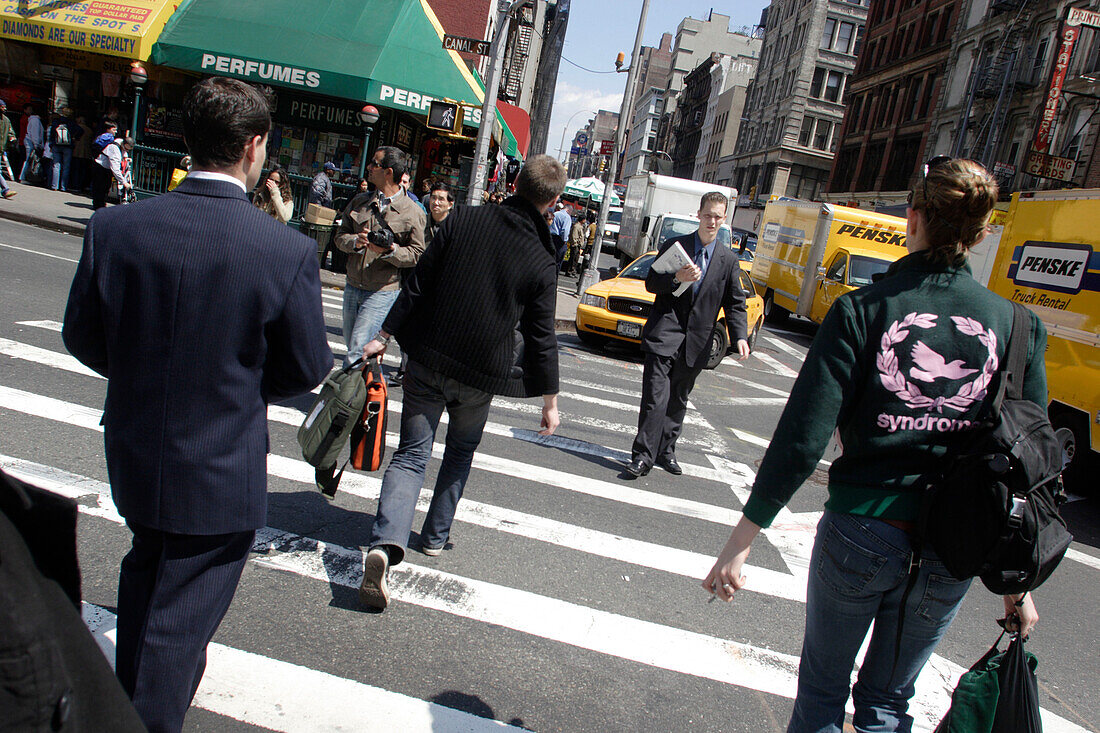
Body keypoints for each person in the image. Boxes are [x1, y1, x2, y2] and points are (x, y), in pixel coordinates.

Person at [702, 159, 1042, 733]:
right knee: (889, 703)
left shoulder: (864, 310)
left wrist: (742, 538)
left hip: (861, 524)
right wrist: (1017, 584)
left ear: (913, 219)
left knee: (823, 695)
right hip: (955, 543)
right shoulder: (1017, 326)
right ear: (982, 234)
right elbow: (1028, 465)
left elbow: (802, 439)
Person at [62, 76, 332, 732]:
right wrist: (233, 383)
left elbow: (83, 335)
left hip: (135, 448)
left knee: (149, 591)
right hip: (219, 464)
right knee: (173, 634)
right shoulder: (284, 249)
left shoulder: (117, 227)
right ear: (254, 146)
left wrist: (149, 375)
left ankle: (125, 706)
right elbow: (305, 369)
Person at [356, 155, 565, 611]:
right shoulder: (541, 258)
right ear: (553, 201)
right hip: (480, 372)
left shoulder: (462, 219)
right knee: (460, 452)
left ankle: (386, 542)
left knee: (411, 455)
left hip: (428, 355)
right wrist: (549, 399)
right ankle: (434, 536)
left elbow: (418, 284)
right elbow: (542, 335)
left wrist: (383, 336)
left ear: (514, 182)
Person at [624, 192, 750, 478]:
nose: (712, 221)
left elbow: (735, 302)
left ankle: (666, 452)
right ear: (699, 215)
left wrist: (740, 335)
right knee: (655, 398)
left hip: (697, 341)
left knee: (678, 400)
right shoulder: (675, 246)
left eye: (718, 216)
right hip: (664, 333)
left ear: (724, 219)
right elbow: (652, 283)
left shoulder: (727, 260)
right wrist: (676, 278)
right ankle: (643, 456)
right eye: (708, 215)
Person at [333, 145, 426, 367]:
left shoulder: (413, 212)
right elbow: (339, 236)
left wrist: (390, 250)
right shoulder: (360, 201)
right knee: (356, 349)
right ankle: (368, 396)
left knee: (358, 350)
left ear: (388, 172)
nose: (369, 167)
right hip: (353, 284)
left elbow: (417, 254)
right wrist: (355, 242)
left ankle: (346, 400)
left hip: (382, 291)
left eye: (375, 163)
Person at [91, 134, 133, 209]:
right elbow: (115, 168)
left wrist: (126, 158)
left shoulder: (120, 143)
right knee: (101, 189)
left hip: (105, 168)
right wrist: (124, 182)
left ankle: (100, 206)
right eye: (126, 149)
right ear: (125, 144)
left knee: (105, 188)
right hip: (101, 168)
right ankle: (98, 207)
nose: (127, 151)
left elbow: (123, 154)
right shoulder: (115, 149)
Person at [49, 106, 82, 191]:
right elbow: (81, 130)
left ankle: (54, 186)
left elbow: (52, 133)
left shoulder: (56, 122)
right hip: (68, 146)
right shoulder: (71, 123)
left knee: (56, 165)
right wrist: (75, 138)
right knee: (66, 167)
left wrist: (51, 144)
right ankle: (63, 186)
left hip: (56, 145)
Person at [18, 104, 43, 184]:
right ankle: (24, 177)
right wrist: (36, 144)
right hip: (31, 142)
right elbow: (35, 133)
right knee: (29, 160)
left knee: (29, 159)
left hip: (28, 141)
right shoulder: (35, 120)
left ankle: (24, 176)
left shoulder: (31, 120)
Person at [72, 113, 95, 192]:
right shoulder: (90, 130)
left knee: (76, 170)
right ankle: (82, 186)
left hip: (77, 152)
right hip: (86, 153)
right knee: (83, 170)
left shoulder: (77, 128)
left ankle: (75, 186)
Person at [549, 201, 572, 269]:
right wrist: (564, 240)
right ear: (568, 210)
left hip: (551, 237)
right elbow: (565, 230)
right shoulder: (567, 217)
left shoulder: (555, 214)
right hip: (559, 240)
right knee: (557, 262)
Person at [567, 210, 586, 275]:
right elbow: (574, 235)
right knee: (573, 258)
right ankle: (570, 271)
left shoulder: (580, 226)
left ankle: (573, 270)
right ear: (582, 220)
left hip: (578, 245)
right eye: (584, 219)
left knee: (576, 259)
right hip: (575, 245)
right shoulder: (576, 226)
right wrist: (575, 244)